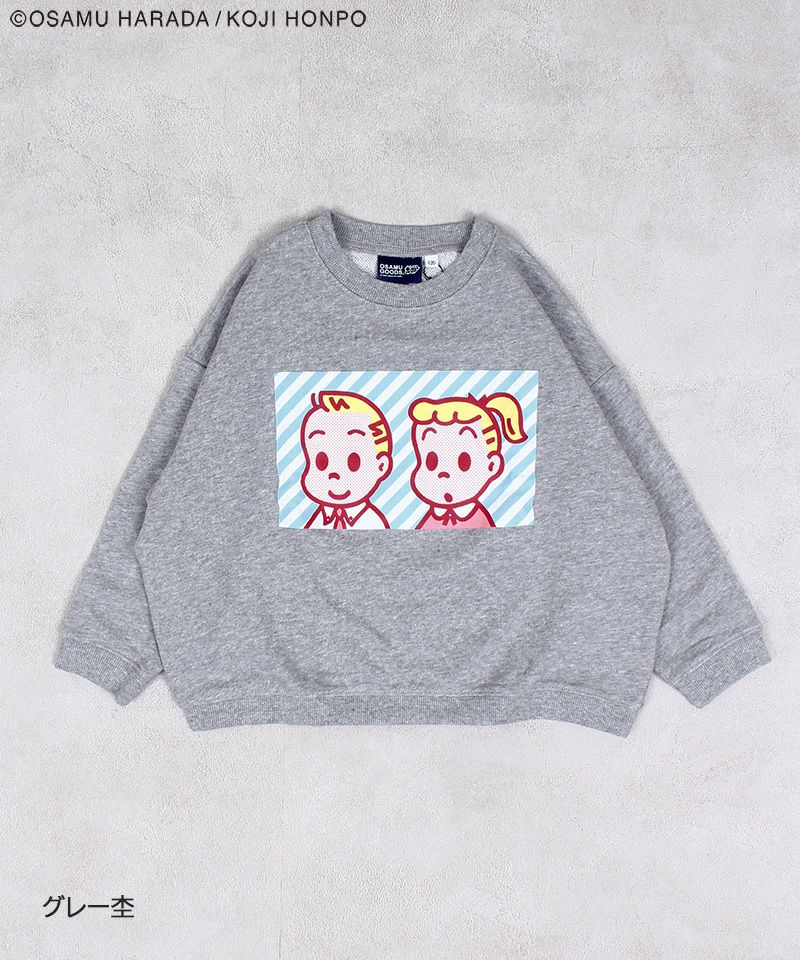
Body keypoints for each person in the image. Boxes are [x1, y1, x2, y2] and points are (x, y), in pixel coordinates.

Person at [408, 392, 527, 529]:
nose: (443, 473)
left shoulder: (483, 520)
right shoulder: (427, 518)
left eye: (463, 462)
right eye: (431, 462)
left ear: (492, 465)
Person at [300, 391, 393, 529]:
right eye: (321, 462)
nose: (335, 475)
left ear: (381, 466)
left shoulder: (374, 521)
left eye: (353, 463)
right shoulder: (315, 520)